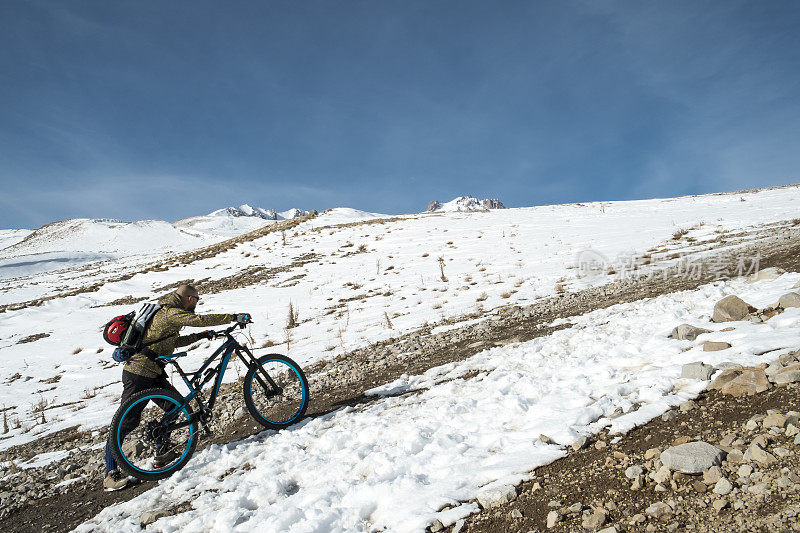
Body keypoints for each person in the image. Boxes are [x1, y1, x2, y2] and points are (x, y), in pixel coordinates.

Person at [103, 284, 250, 491]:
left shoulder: (166, 314)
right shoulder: (170, 312)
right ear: (189, 299)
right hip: (138, 373)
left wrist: (201, 337)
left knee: (177, 407)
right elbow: (198, 321)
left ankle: (162, 454)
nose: (197, 304)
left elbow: (172, 342)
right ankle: (110, 474)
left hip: (153, 372)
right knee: (124, 422)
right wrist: (233, 317)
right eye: (197, 300)